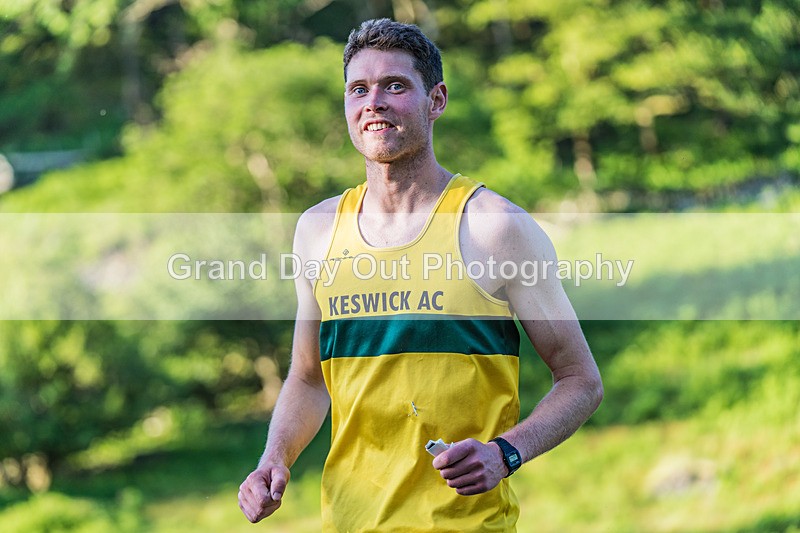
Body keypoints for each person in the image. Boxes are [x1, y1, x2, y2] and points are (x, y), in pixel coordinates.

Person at [238, 18, 603, 531]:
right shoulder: (317, 231)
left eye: (395, 86)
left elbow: (581, 381)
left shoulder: (494, 227)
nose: (374, 102)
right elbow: (307, 377)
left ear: (437, 100)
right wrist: (273, 458)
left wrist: (505, 454)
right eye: (358, 89)